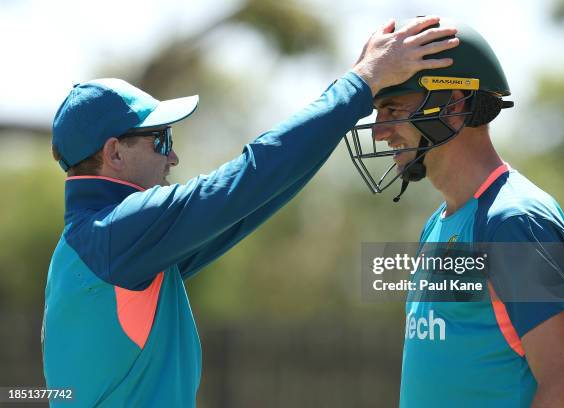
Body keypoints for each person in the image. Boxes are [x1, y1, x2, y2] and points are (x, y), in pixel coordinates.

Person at [42, 16, 459, 407]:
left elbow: (254, 198)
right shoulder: (118, 232)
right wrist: (360, 83)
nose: (174, 158)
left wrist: (350, 98)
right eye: (161, 140)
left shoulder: (95, 242)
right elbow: (252, 176)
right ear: (114, 152)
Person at [345, 18, 564, 407]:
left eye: (392, 108)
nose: (379, 131)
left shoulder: (513, 221)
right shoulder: (439, 223)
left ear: (454, 103)